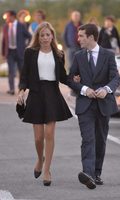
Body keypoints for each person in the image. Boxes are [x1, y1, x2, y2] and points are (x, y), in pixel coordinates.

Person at [17, 22, 72, 186]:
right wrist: (21, 90)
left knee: (49, 134)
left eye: (48, 35)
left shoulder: (59, 53)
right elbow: (25, 74)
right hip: (36, 93)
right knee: (38, 137)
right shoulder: (30, 53)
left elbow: (62, 76)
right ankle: (40, 160)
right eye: (42, 35)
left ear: (52, 36)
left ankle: (47, 169)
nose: (46, 38)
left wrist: (75, 80)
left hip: (52, 94)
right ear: (38, 37)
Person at [68, 24, 120, 189]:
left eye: (82, 36)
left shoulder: (109, 55)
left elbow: (115, 78)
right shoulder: (78, 56)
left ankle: (96, 173)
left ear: (91, 37)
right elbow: (70, 78)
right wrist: (83, 89)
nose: (78, 39)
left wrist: (106, 89)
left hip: (104, 104)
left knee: (100, 140)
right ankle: (88, 174)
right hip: (85, 105)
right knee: (88, 139)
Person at [2, 10, 31, 95]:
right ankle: (11, 89)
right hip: (10, 52)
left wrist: (27, 46)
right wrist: (3, 53)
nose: (6, 18)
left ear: (12, 17)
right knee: (11, 71)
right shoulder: (5, 26)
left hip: (20, 52)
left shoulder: (21, 25)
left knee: (21, 71)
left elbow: (29, 36)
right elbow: (4, 40)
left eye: (7, 16)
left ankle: (20, 88)